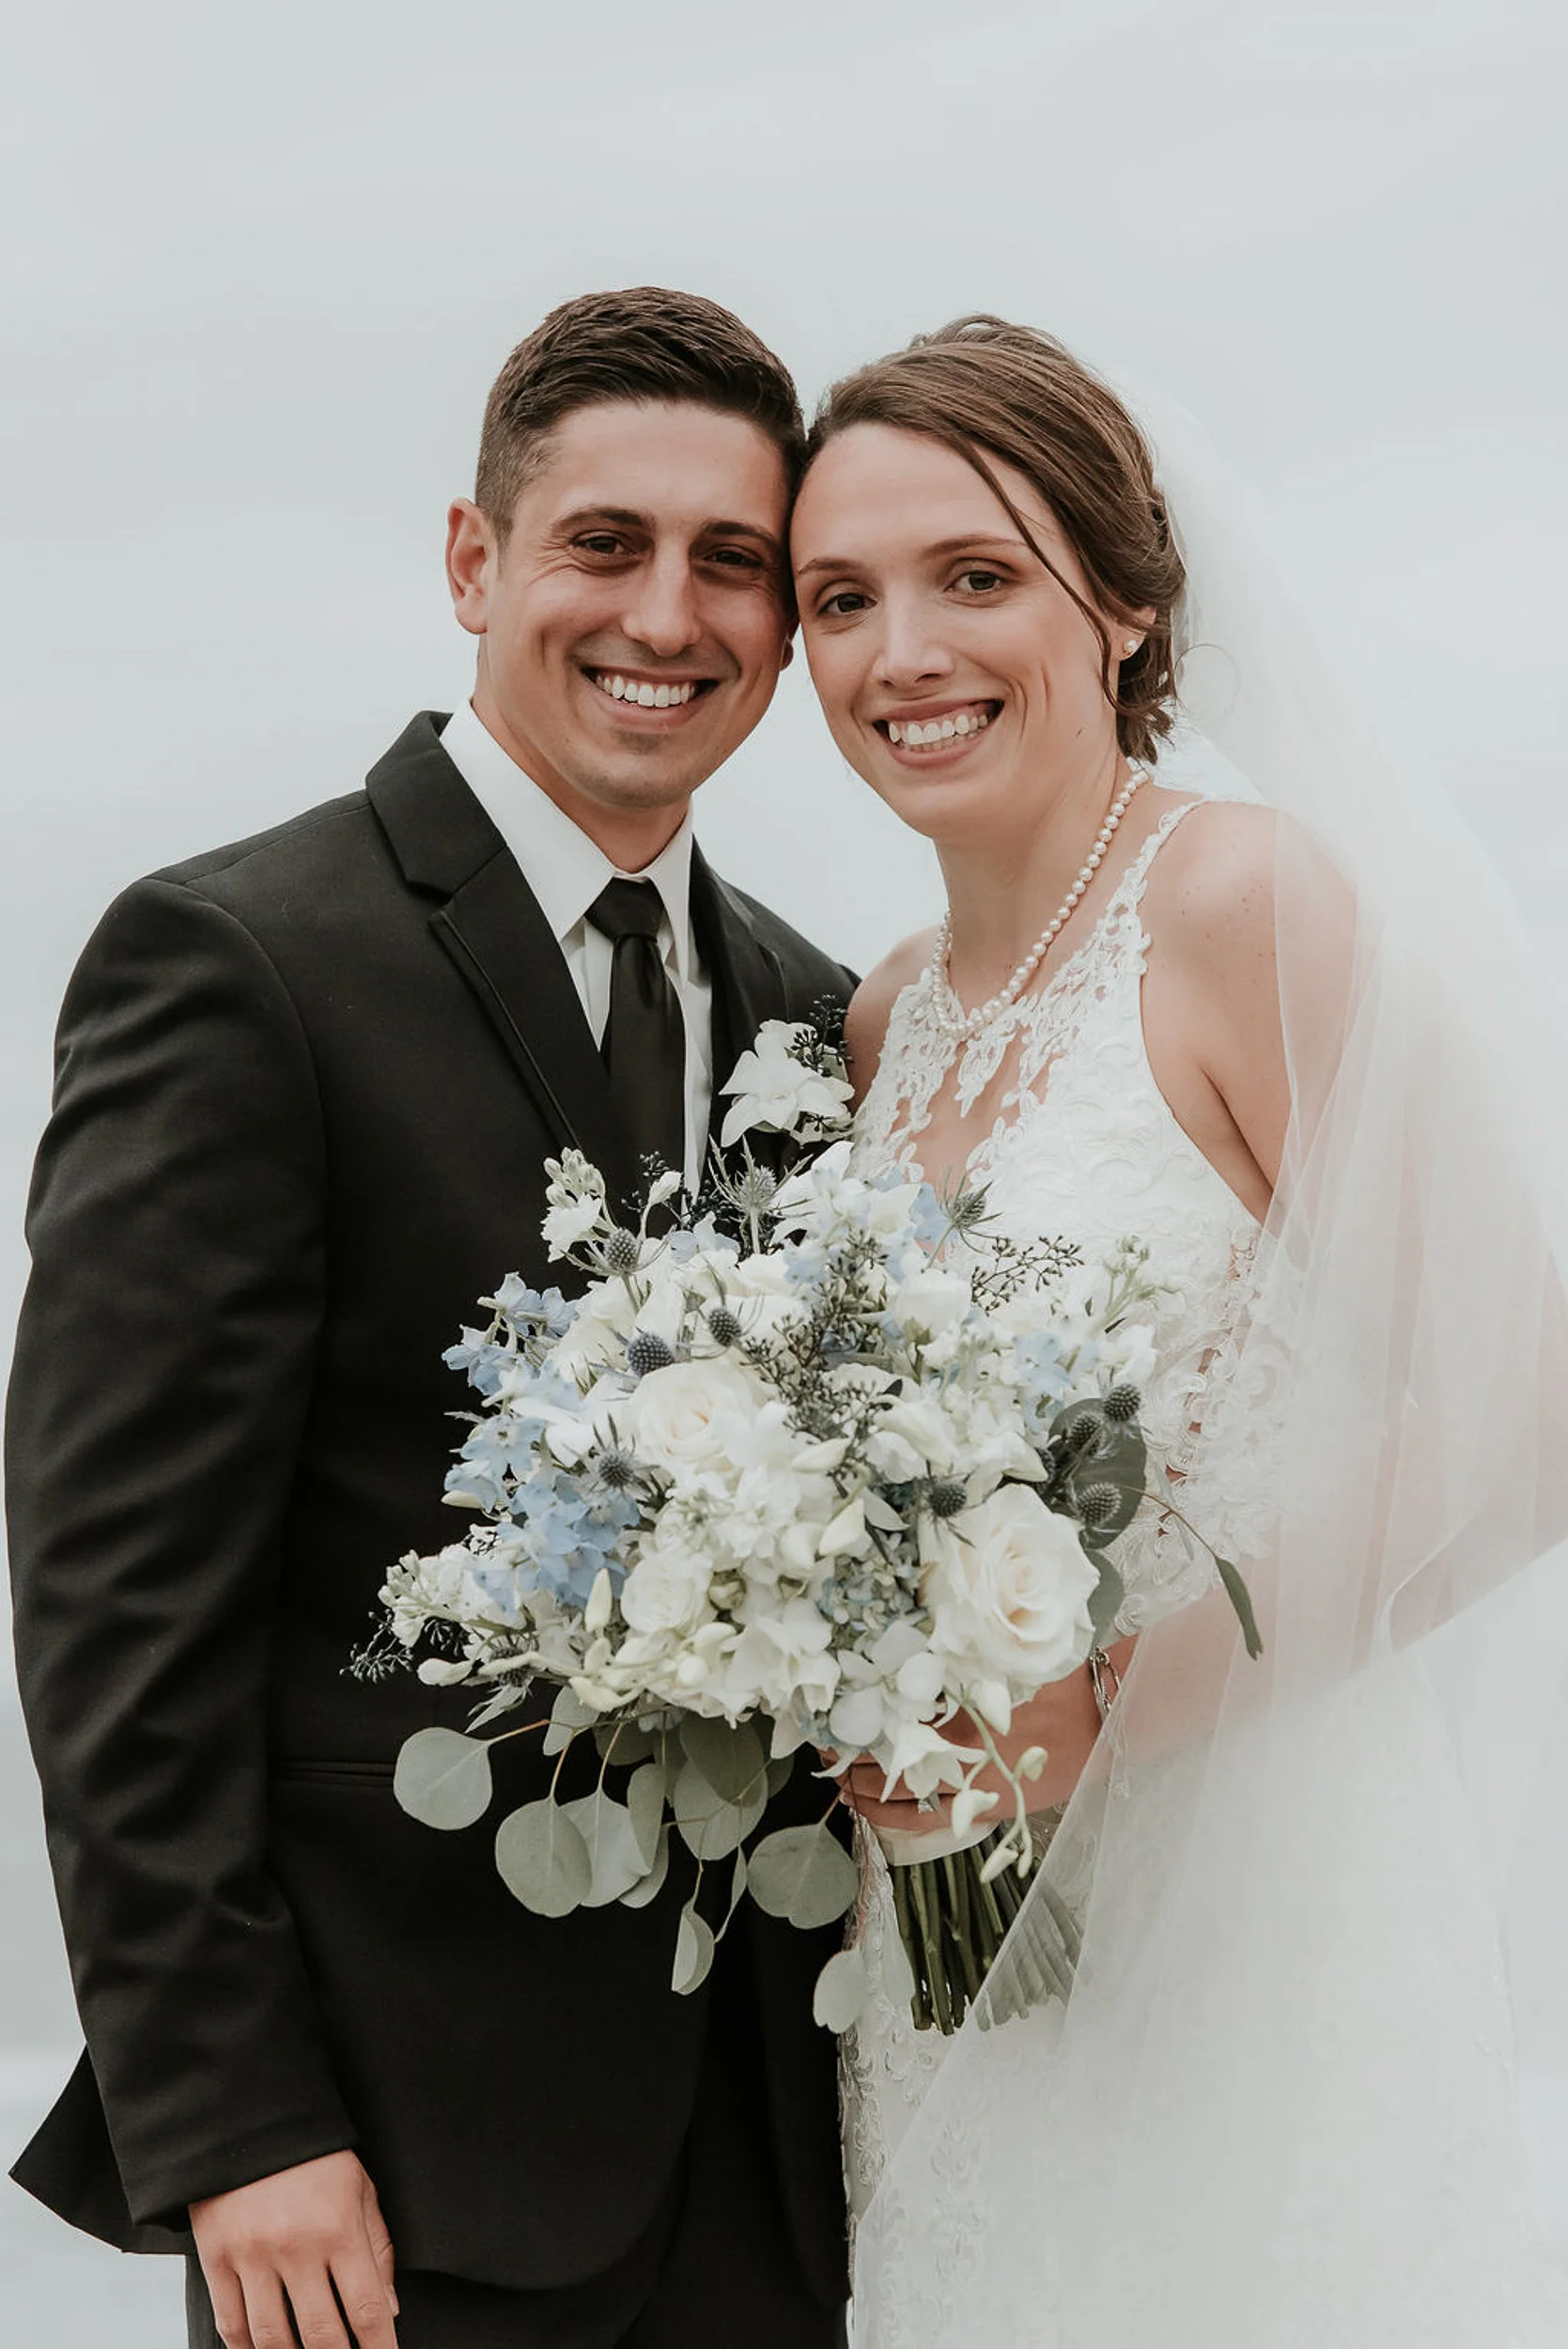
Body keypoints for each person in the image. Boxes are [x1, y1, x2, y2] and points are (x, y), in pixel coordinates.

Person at [8, 288, 854, 2349]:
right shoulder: (237, 961)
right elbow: (117, 1603)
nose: (666, 614)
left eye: (731, 562)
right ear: (474, 558)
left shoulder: (820, 1015)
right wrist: (233, 2121)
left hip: (776, 2156)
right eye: (603, 543)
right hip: (384, 2170)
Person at [787, 319, 1568, 2342]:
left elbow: (1529, 1406)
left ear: (1123, 603)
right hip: (957, 1946)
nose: (902, 653)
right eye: (840, 598)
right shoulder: (883, 1020)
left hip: (1265, 1903)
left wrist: (1113, 1703)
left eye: (975, 576)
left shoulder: (1239, 905)